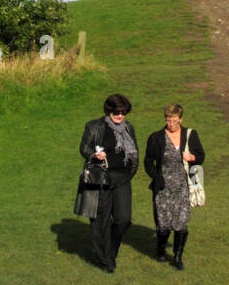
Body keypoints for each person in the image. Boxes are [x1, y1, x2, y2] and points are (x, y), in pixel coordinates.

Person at [79, 93, 139, 272]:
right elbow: (84, 148)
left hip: (122, 179)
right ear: (109, 111)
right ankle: (105, 259)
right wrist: (94, 155)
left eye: (123, 113)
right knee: (100, 222)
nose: (120, 116)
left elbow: (134, 153)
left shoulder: (129, 128)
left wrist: (130, 173)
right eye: (116, 113)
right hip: (101, 180)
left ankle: (111, 249)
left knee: (124, 219)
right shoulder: (95, 126)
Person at [144, 103, 204, 269]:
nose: (171, 124)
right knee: (163, 224)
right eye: (169, 121)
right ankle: (160, 250)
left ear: (181, 119)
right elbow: (148, 161)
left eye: (175, 121)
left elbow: (201, 156)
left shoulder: (191, 135)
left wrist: (191, 157)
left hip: (184, 185)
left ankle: (177, 257)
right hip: (162, 187)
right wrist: (156, 178)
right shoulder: (155, 137)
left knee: (181, 223)